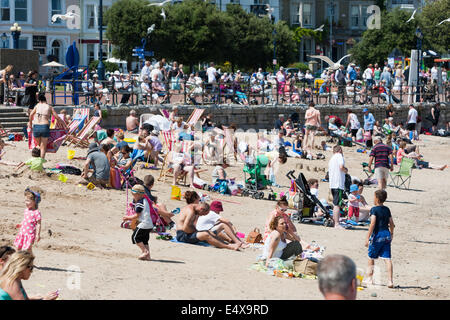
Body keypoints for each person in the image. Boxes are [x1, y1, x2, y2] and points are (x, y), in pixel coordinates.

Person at [176, 202, 241, 250]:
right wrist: (197, 232)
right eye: (203, 214)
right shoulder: (191, 211)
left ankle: (227, 244)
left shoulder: (196, 209)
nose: (202, 216)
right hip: (182, 236)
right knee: (205, 234)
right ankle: (228, 246)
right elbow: (185, 229)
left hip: (188, 233)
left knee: (209, 232)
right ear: (201, 209)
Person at [365, 190, 395, 288]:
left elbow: (373, 223)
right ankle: (390, 281)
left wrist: (367, 237)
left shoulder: (374, 210)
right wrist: (391, 234)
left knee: (371, 256)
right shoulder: (387, 209)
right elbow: (392, 223)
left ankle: (370, 279)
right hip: (386, 234)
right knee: (387, 258)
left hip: (377, 235)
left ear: (377, 199)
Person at [28, 94, 67, 159]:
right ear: (45, 100)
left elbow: (31, 115)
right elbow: (57, 117)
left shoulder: (37, 106)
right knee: (43, 147)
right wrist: (65, 125)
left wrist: (30, 124)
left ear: (39, 101)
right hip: (44, 126)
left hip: (36, 126)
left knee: (38, 145)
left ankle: (35, 161)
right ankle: (40, 163)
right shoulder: (49, 107)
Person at [122, 184, 154, 261]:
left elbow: (137, 215)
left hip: (144, 224)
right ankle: (148, 256)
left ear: (137, 195)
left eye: (133, 195)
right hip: (149, 224)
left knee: (135, 237)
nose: (133, 197)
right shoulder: (145, 200)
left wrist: (127, 218)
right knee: (145, 240)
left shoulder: (140, 203)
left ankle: (144, 251)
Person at [13, 188, 42, 253]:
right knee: (18, 247)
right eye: (25, 200)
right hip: (22, 233)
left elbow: (38, 224)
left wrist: (38, 234)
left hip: (29, 234)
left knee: (28, 249)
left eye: (28, 201)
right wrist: (21, 224)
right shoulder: (26, 210)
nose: (26, 202)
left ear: (34, 202)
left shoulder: (36, 212)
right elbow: (25, 219)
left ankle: (30, 261)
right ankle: (18, 260)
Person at [328, 145, 348, 228]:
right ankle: (337, 223)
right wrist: (346, 170)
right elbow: (341, 167)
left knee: (335, 203)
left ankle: (335, 220)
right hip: (338, 183)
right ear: (340, 150)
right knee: (337, 204)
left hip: (332, 183)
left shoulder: (332, 158)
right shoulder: (339, 156)